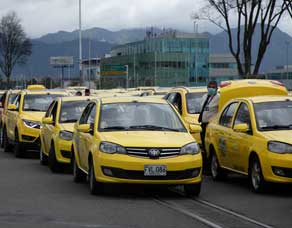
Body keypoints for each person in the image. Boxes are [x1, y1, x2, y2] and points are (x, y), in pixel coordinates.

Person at [198, 81, 220, 152]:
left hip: (211, 125)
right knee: (203, 143)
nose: (211, 89)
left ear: (217, 88)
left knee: (209, 144)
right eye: (210, 87)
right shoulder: (204, 96)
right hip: (203, 124)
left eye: (213, 87)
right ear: (207, 88)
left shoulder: (219, 97)